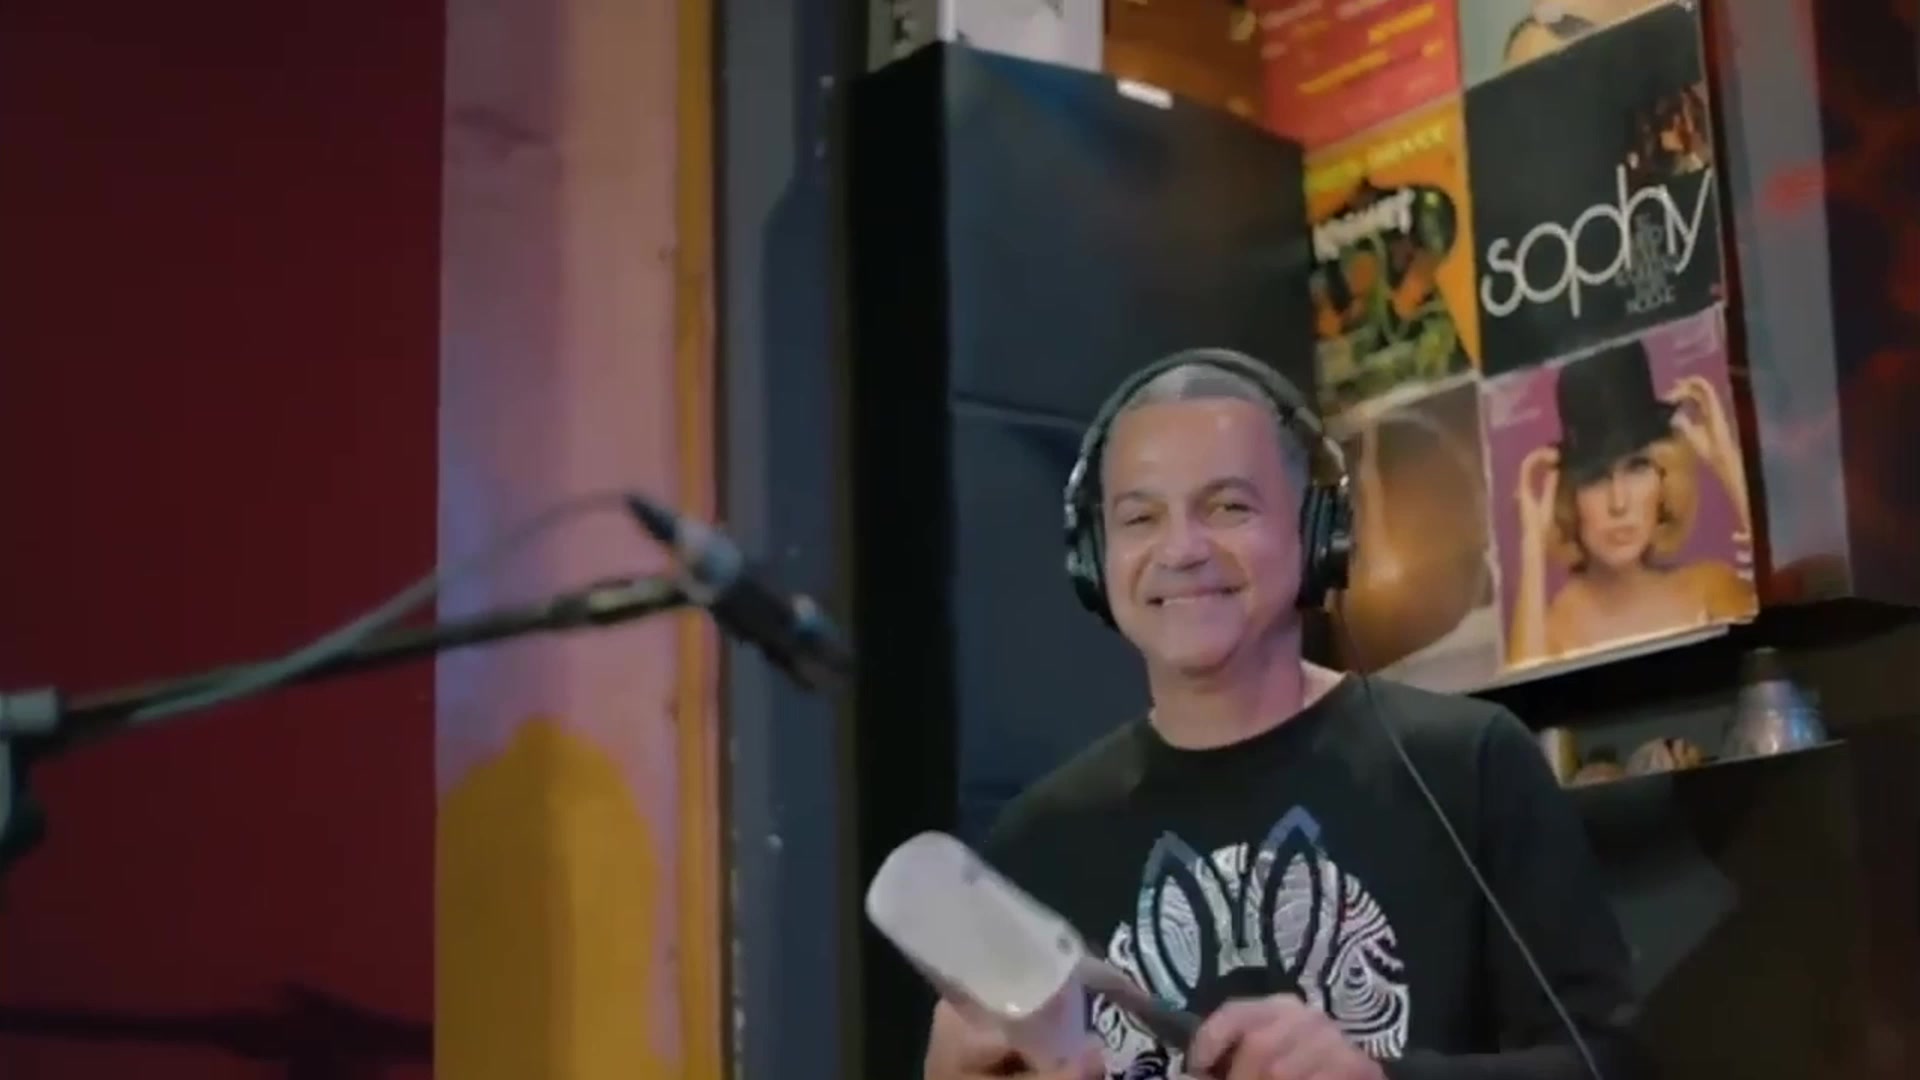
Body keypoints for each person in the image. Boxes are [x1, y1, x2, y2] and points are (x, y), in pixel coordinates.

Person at [921, 348, 1644, 1080]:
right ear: (1093, 557)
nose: (1181, 549)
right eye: (1140, 517)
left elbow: (1612, 1066)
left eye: (1228, 507)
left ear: (1319, 533)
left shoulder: (1471, 767)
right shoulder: (1035, 847)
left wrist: (1375, 1079)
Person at [1505, 339, 1755, 668]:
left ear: (1664, 479)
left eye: (1637, 468)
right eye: (1596, 477)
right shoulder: (1549, 634)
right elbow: (1526, 691)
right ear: (1569, 497)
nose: (1619, 503)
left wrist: (1729, 467)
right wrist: (1533, 547)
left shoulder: (1710, 589)